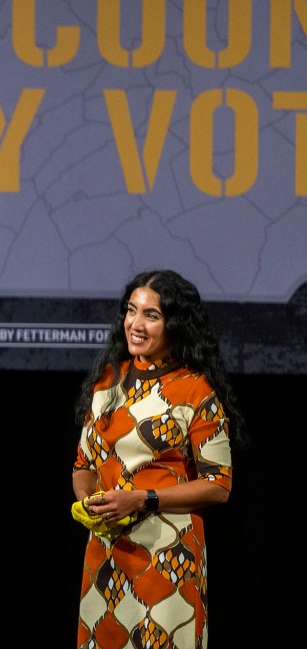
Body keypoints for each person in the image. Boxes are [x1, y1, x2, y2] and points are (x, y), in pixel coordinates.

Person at [70, 269, 246, 649]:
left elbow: (219, 486)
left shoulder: (196, 390)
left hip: (168, 558)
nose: (135, 323)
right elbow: (84, 465)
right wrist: (88, 502)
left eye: (151, 315)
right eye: (131, 311)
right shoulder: (106, 382)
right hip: (105, 553)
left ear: (175, 324)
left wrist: (142, 498)